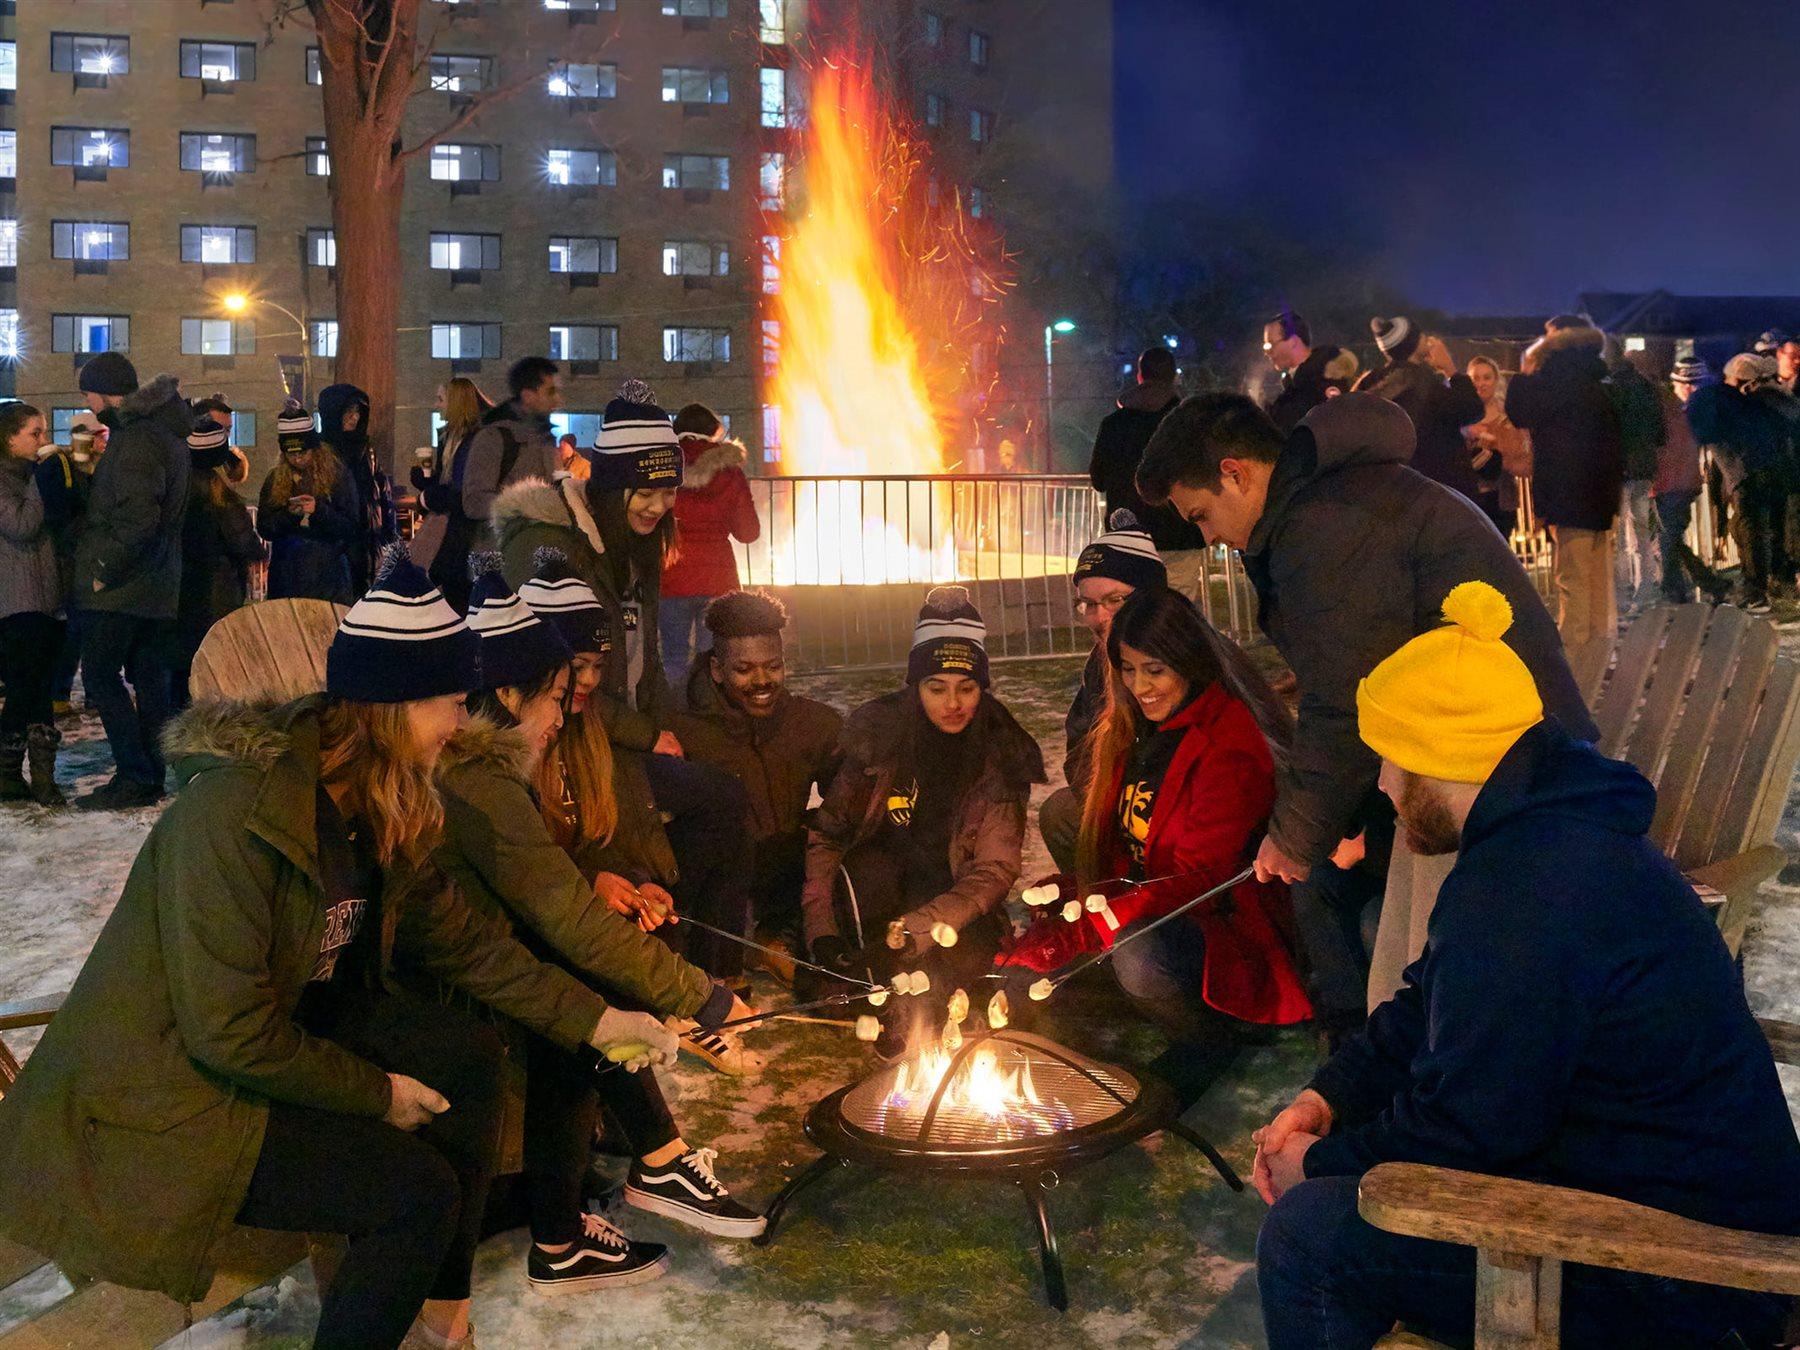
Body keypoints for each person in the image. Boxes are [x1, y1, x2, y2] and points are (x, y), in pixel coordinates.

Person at [0, 548, 679, 1350]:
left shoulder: (380, 806)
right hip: (168, 1099)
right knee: (414, 1194)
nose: (463, 725)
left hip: (269, 1047)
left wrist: (599, 1021)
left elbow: (472, 950)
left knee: (463, 1053)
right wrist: (375, 1093)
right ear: (390, 708)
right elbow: (226, 1031)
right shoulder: (236, 817)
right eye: (449, 703)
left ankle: (439, 1317)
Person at [1252, 580, 1800, 1350]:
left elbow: (1471, 1132)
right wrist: (1330, 1096)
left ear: (1441, 760)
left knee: (1309, 1234)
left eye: (1389, 761)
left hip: (1687, 1271)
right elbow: (1428, 1000)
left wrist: (1321, 1165)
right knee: (1345, 1199)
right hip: (1625, 1194)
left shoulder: (1526, 896)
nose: (1380, 785)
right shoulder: (1543, 837)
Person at [1135, 391, 1594, 1008]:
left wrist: (1297, 838)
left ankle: (1372, 1053)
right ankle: (1364, 1050)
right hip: (1468, 753)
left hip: (1498, 771)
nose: (1211, 537)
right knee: (1331, 875)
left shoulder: (1325, 524)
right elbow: (1364, 668)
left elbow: (1345, 700)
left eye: (1200, 516)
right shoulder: (1332, 501)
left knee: (1333, 884)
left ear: (1234, 473)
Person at [434, 560, 766, 1291]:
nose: (566, 710)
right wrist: (701, 995)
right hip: (446, 995)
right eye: (557, 692)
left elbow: (561, 878)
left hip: (488, 963)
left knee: (577, 982)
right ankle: (650, 1164)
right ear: (509, 694)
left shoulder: (501, 767)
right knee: (576, 989)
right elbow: (564, 916)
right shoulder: (480, 783)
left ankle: (588, 1214)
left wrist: (622, 883)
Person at [1002, 587, 1311, 1100]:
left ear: (1187, 664)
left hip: (1217, 922)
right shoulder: (1134, 728)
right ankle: (1128, 984)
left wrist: (1103, 914)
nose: (1139, 686)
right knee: (1026, 966)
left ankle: (1206, 1037)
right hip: (1148, 895)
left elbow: (1203, 879)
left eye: (1155, 670)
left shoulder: (1228, 740)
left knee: (1134, 953)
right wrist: (1079, 898)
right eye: (1127, 669)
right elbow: (1123, 842)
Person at [517, 551, 761, 1075]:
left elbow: (593, 834)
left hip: (575, 893)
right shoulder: (518, 748)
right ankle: (666, 1027)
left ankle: (688, 1002)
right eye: (574, 670)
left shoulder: (585, 735)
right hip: (538, 931)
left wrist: (628, 879)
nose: (585, 682)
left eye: (596, 669)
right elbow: (530, 867)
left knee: (659, 896)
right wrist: (593, 881)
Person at [805, 586, 1046, 1058]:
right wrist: (821, 931)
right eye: (937, 688)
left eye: (967, 688)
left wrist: (916, 929)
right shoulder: (878, 738)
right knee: (870, 894)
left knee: (967, 977)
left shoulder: (1000, 754)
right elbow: (828, 836)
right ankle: (885, 995)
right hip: (880, 891)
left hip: (954, 899)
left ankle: (923, 1001)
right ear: (915, 687)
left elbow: (993, 871)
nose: (952, 703)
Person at [670, 589, 843, 973]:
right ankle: (730, 956)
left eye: (773, 666)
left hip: (784, 870)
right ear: (717, 670)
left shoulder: (812, 724)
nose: (762, 681)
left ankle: (776, 939)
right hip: (716, 879)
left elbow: (847, 805)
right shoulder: (685, 730)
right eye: (744, 670)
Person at [69, 353, 192, 811]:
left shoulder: (139, 439)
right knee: (148, 677)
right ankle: (150, 773)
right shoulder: (153, 434)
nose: (86, 402)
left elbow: (139, 518)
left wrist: (103, 570)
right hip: (155, 585)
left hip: (126, 587)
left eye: (88, 393)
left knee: (100, 674)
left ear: (103, 392)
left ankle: (136, 774)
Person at [1041, 509, 1169, 875]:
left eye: (1115, 600)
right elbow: (1080, 746)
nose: (1100, 617)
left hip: (1189, 805)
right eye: (1089, 605)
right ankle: (1106, 906)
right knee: (1061, 813)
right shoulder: (1101, 662)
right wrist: (1109, 802)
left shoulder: (1187, 651)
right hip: (1128, 798)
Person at [1504, 323, 1623, 696]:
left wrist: (1526, 368)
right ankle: (1599, 655)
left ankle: (1574, 668)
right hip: (1601, 495)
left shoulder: (1551, 386)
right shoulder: (1598, 386)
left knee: (1572, 583)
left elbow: (1519, 411)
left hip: (1568, 496)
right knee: (1598, 585)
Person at [1089, 348, 1210, 598]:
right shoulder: (1191, 424)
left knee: (1135, 612)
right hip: (1181, 534)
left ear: (1140, 377)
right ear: (1173, 377)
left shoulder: (1113, 425)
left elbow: (1099, 480)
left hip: (1129, 538)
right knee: (1179, 609)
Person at [658, 404, 761, 689]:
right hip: (718, 580)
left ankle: (676, 718)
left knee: (674, 658)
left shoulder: (661, 468)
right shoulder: (729, 473)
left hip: (670, 576)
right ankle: (710, 717)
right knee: (713, 658)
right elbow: (748, 532)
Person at [171, 417, 265, 710]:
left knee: (183, 661)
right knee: (211, 656)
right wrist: (258, 552)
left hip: (181, 586)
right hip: (216, 589)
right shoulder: (216, 493)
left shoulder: (177, 486)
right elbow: (241, 540)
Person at [0, 403, 66, 805]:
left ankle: (43, 778)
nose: (42, 439)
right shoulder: (7, 480)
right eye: (34, 433)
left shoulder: (27, 477)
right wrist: (45, 477)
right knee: (25, 687)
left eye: (43, 432)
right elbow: (22, 526)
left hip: (46, 601)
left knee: (40, 688)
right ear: (9, 438)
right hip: (15, 603)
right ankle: (6, 774)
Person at [1686, 353, 1788, 611]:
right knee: (1758, 529)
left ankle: (1755, 589)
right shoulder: (1749, 403)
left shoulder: (1714, 400)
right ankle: (1764, 585)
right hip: (1761, 470)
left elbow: (1702, 432)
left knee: (1749, 529)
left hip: (1742, 473)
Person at [1355, 317, 1488, 505]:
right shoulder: (1424, 384)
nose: (1429, 340)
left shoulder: (1369, 383)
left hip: (1392, 492)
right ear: (1414, 344)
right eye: (1423, 336)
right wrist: (1451, 370)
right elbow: (1472, 409)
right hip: (1437, 492)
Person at [259, 402, 359, 605]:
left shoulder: (337, 475)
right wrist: (289, 515)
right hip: (287, 576)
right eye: (291, 453)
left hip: (328, 576)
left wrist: (319, 511)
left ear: (314, 447)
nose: (297, 458)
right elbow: (265, 527)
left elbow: (351, 527)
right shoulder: (275, 478)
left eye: (303, 452)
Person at [460, 356, 564, 546]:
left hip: (540, 549)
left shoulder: (545, 439)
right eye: (550, 392)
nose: (557, 399)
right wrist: (525, 506)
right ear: (528, 395)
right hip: (501, 555)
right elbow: (474, 502)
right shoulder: (494, 437)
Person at [411, 377, 488, 613]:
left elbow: (464, 491)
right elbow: (448, 481)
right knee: (442, 579)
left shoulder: (476, 442)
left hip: (468, 531)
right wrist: (426, 481)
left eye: (441, 399)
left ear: (456, 403)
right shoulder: (451, 437)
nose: (437, 405)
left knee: (451, 584)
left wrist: (428, 497)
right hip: (454, 527)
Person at [1659, 358, 1729, 604]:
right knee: (1670, 538)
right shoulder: (1678, 411)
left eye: (1694, 383)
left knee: (1669, 538)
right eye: (1684, 383)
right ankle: (1701, 584)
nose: (1689, 389)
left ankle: (1678, 588)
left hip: (1677, 483)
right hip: (1675, 482)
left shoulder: (1687, 412)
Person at [1606, 347, 1670, 611]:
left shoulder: (1608, 389)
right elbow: (1660, 433)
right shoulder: (1646, 389)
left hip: (1617, 470)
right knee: (1642, 531)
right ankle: (1646, 586)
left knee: (1618, 535)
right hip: (1643, 468)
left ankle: (1621, 592)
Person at [316, 382, 389, 594]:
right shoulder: (321, 453)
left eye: (358, 411)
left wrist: (388, 538)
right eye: (348, 411)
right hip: (335, 551)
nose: (354, 417)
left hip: (368, 546)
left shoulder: (367, 451)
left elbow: (383, 496)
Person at [1461, 356, 1528, 536]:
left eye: (1486, 377)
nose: (1481, 383)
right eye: (1476, 378)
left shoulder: (1509, 418)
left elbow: (1524, 463)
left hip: (1501, 500)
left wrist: (1496, 456)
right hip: (1468, 499)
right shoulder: (1460, 418)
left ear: (1496, 380)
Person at [1264, 310, 1358, 435]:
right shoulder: (1298, 383)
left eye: (1270, 345)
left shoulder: (1323, 380)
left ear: (1293, 342)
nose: (1267, 353)